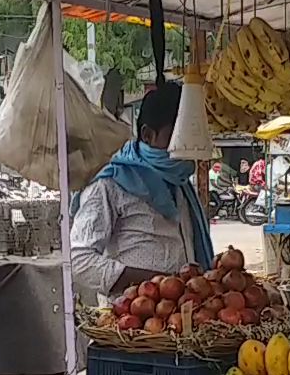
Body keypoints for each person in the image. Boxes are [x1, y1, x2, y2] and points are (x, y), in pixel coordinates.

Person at [71, 82, 214, 296]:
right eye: (175, 139)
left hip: (183, 316)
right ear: (148, 135)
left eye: (187, 140)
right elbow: (79, 261)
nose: (183, 150)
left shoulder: (180, 182)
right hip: (132, 319)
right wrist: (157, 284)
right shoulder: (109, 183)